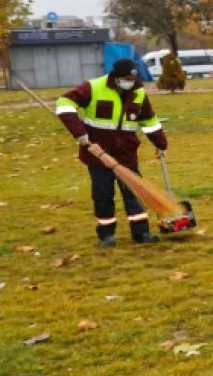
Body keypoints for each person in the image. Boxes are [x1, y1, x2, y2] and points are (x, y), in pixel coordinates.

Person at [54, 58, 167, 247]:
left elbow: (149, 120)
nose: (129, 81)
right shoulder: (93, 87)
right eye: (125, 78)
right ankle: (106, 235)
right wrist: (80, 133)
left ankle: (141, 233)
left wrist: (161, 143)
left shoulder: (138, 92)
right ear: (115, 77)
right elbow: (64, 103)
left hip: (126, 153)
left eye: (132, 78)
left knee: (134, 192)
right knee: (103, 194)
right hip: (97, 153)